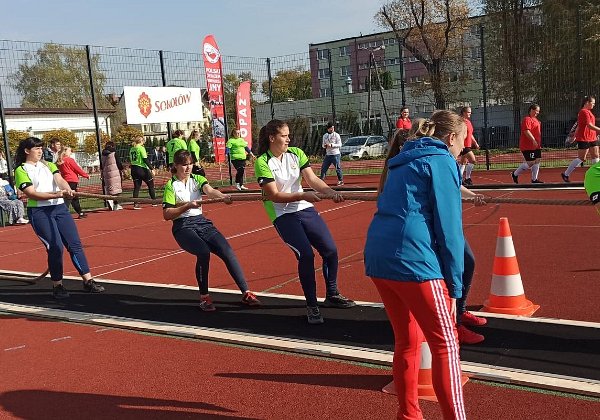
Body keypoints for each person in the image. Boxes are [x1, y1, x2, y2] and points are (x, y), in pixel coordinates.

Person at [364, 111, 467, 420]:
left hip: (380, 257)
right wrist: (455, 286)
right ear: (451, 138)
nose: (465, 146)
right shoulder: (441, 161)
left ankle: (408, 415)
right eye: (463, 140)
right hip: (414, 261)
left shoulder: (402, 159)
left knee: (407, 343)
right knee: (446, 346)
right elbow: (450, 229)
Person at [255, 119, 355, 325]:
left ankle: (332, 293)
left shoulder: (296, 153)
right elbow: (274, 195)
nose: (288, 139)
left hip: (304, 208)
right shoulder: (262, 162)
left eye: (288, 135)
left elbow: (311, 179)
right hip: (282, 214)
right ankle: (312, 305)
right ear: (272, 138)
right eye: (284, 135)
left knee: (330, 250)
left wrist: (329, 191)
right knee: (306, 255)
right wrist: (302, 196)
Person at [162, 149, 261, 311]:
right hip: (183, 226)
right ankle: (204, 297)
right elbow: (167, 214)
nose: (188, 168)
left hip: (202, 223)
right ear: (176, 166)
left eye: (190, 164)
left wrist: (222, 197)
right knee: (203, 253)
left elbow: (210, 191)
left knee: (227, 251)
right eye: (184, 165)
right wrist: (186, 205)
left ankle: (246, 293)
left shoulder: (198, 179)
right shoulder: (171, 186)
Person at [13, 137, 105, 298]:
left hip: (59, 209)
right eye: (36, 149)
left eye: (41, 148)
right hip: (40, 212)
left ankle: (88, 281)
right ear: (27, 151)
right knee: (55, 247)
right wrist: (56, 194)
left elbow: (60, 179)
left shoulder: (49, 165)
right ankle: (58, 285)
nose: (40, 151)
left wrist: (67, 189)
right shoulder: (21, 169)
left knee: (74, 244)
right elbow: (31, 193)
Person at [562, 96, 600, 182]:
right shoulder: (583, 112)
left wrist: (574, 136)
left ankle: (597, 176)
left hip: (592, 137)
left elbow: (579, 125)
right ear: (587, 102)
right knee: (581, 158)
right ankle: (565, 174)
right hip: (584, 138)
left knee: (596, 156)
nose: (594, 105)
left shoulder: (589, 112)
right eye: (593, 103)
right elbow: (588, 125)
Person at [511, 104, 543, 184]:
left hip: (536, 146)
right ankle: (515, 174)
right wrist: (533, 140)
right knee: (530, 163)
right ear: (531, 110)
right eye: (536, 111)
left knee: (537, 161)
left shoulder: (537, 120)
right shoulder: (527, 119)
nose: (537, 113)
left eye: (538, 111)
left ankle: (534, 179)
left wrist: (537, 142)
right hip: (527, 146)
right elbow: (526, 131)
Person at [56, 147, 90, 218]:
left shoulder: (60, 161)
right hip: (72, 180)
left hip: (65, 180)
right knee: (71, 197)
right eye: (69, 151)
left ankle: (79, 212)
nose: (71, 152)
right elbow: (77, 169)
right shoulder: (69, 160)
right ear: (65, 152)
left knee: (71, 197)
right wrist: (85, 175)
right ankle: (64, 212)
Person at [129, 136, 156, 209]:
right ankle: (154, 202)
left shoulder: (132, 149)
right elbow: (145, 159)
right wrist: (152, 168)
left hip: (134, 169)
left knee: (136, 187)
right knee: (150, 184)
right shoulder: (141, 148)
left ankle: (135, 204)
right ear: (141, 141)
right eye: (143, 140)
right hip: (141, 169)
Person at [459, 106, 479, 186]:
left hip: (468, 144)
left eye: (470, 112)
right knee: (473, 160)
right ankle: (467, 178)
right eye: (468, 112)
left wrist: (475, 143)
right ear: (464, 113)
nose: (470, 114)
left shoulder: (468, 122)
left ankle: (459, 179)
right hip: (463, 145)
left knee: (463, 162)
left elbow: (470, 134)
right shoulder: (460, 122)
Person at [101, 141, 124, 211]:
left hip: (106, 173)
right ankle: (115, 203)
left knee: (110, 188)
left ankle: (113, 202)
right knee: (116, 189)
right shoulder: (114, 153)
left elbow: (102, 165)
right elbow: (118, 163)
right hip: (115, 172)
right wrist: (122, 169)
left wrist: (102, 173)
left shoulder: (103, 154)